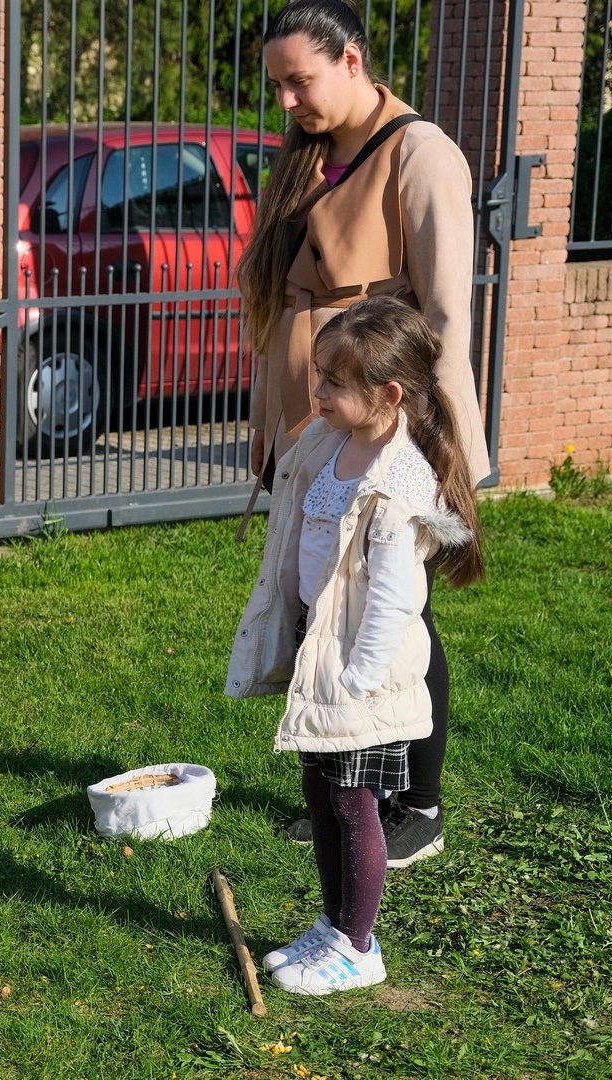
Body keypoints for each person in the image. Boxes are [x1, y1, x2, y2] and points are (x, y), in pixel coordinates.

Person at [238, 0, 490, 865]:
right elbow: (287, 301)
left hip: (389, 422)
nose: (286, 102)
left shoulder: (422, 154)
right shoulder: (308, 155)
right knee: (328, 597)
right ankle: (353, 790)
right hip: (315, 418)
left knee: (398, 605)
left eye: (299, 81)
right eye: (277, 85)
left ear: (352, 60)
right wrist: (272, 424)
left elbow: (446, 314)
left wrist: (421, 441)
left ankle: (419, 803)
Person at [225, 297, 484, 994]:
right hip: (324, 641)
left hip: (360, 669)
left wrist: (357, 678)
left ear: (389, 395)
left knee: (353, 801)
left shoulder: (397, 486)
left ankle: (358, 947)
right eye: (320, 375)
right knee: (320, 791)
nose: (317, 391)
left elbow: (397, 600)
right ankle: (334, 924)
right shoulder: (331, 441)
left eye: (334, 382)